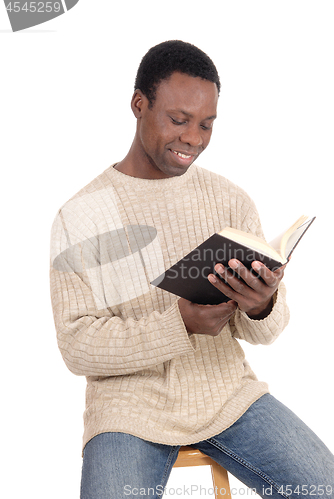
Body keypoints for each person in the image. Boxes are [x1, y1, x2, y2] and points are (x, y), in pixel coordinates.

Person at [50, 40, 334, 498]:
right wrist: (179, 324)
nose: (194, 139)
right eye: (179, 120)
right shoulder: (81, 216)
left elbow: (267, 333)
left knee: (324, 488)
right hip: (128, 409)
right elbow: (77, 347)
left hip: (227, 395)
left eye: (207, 124)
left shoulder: (229, 199)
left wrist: (262, 304)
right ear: (138, 104)